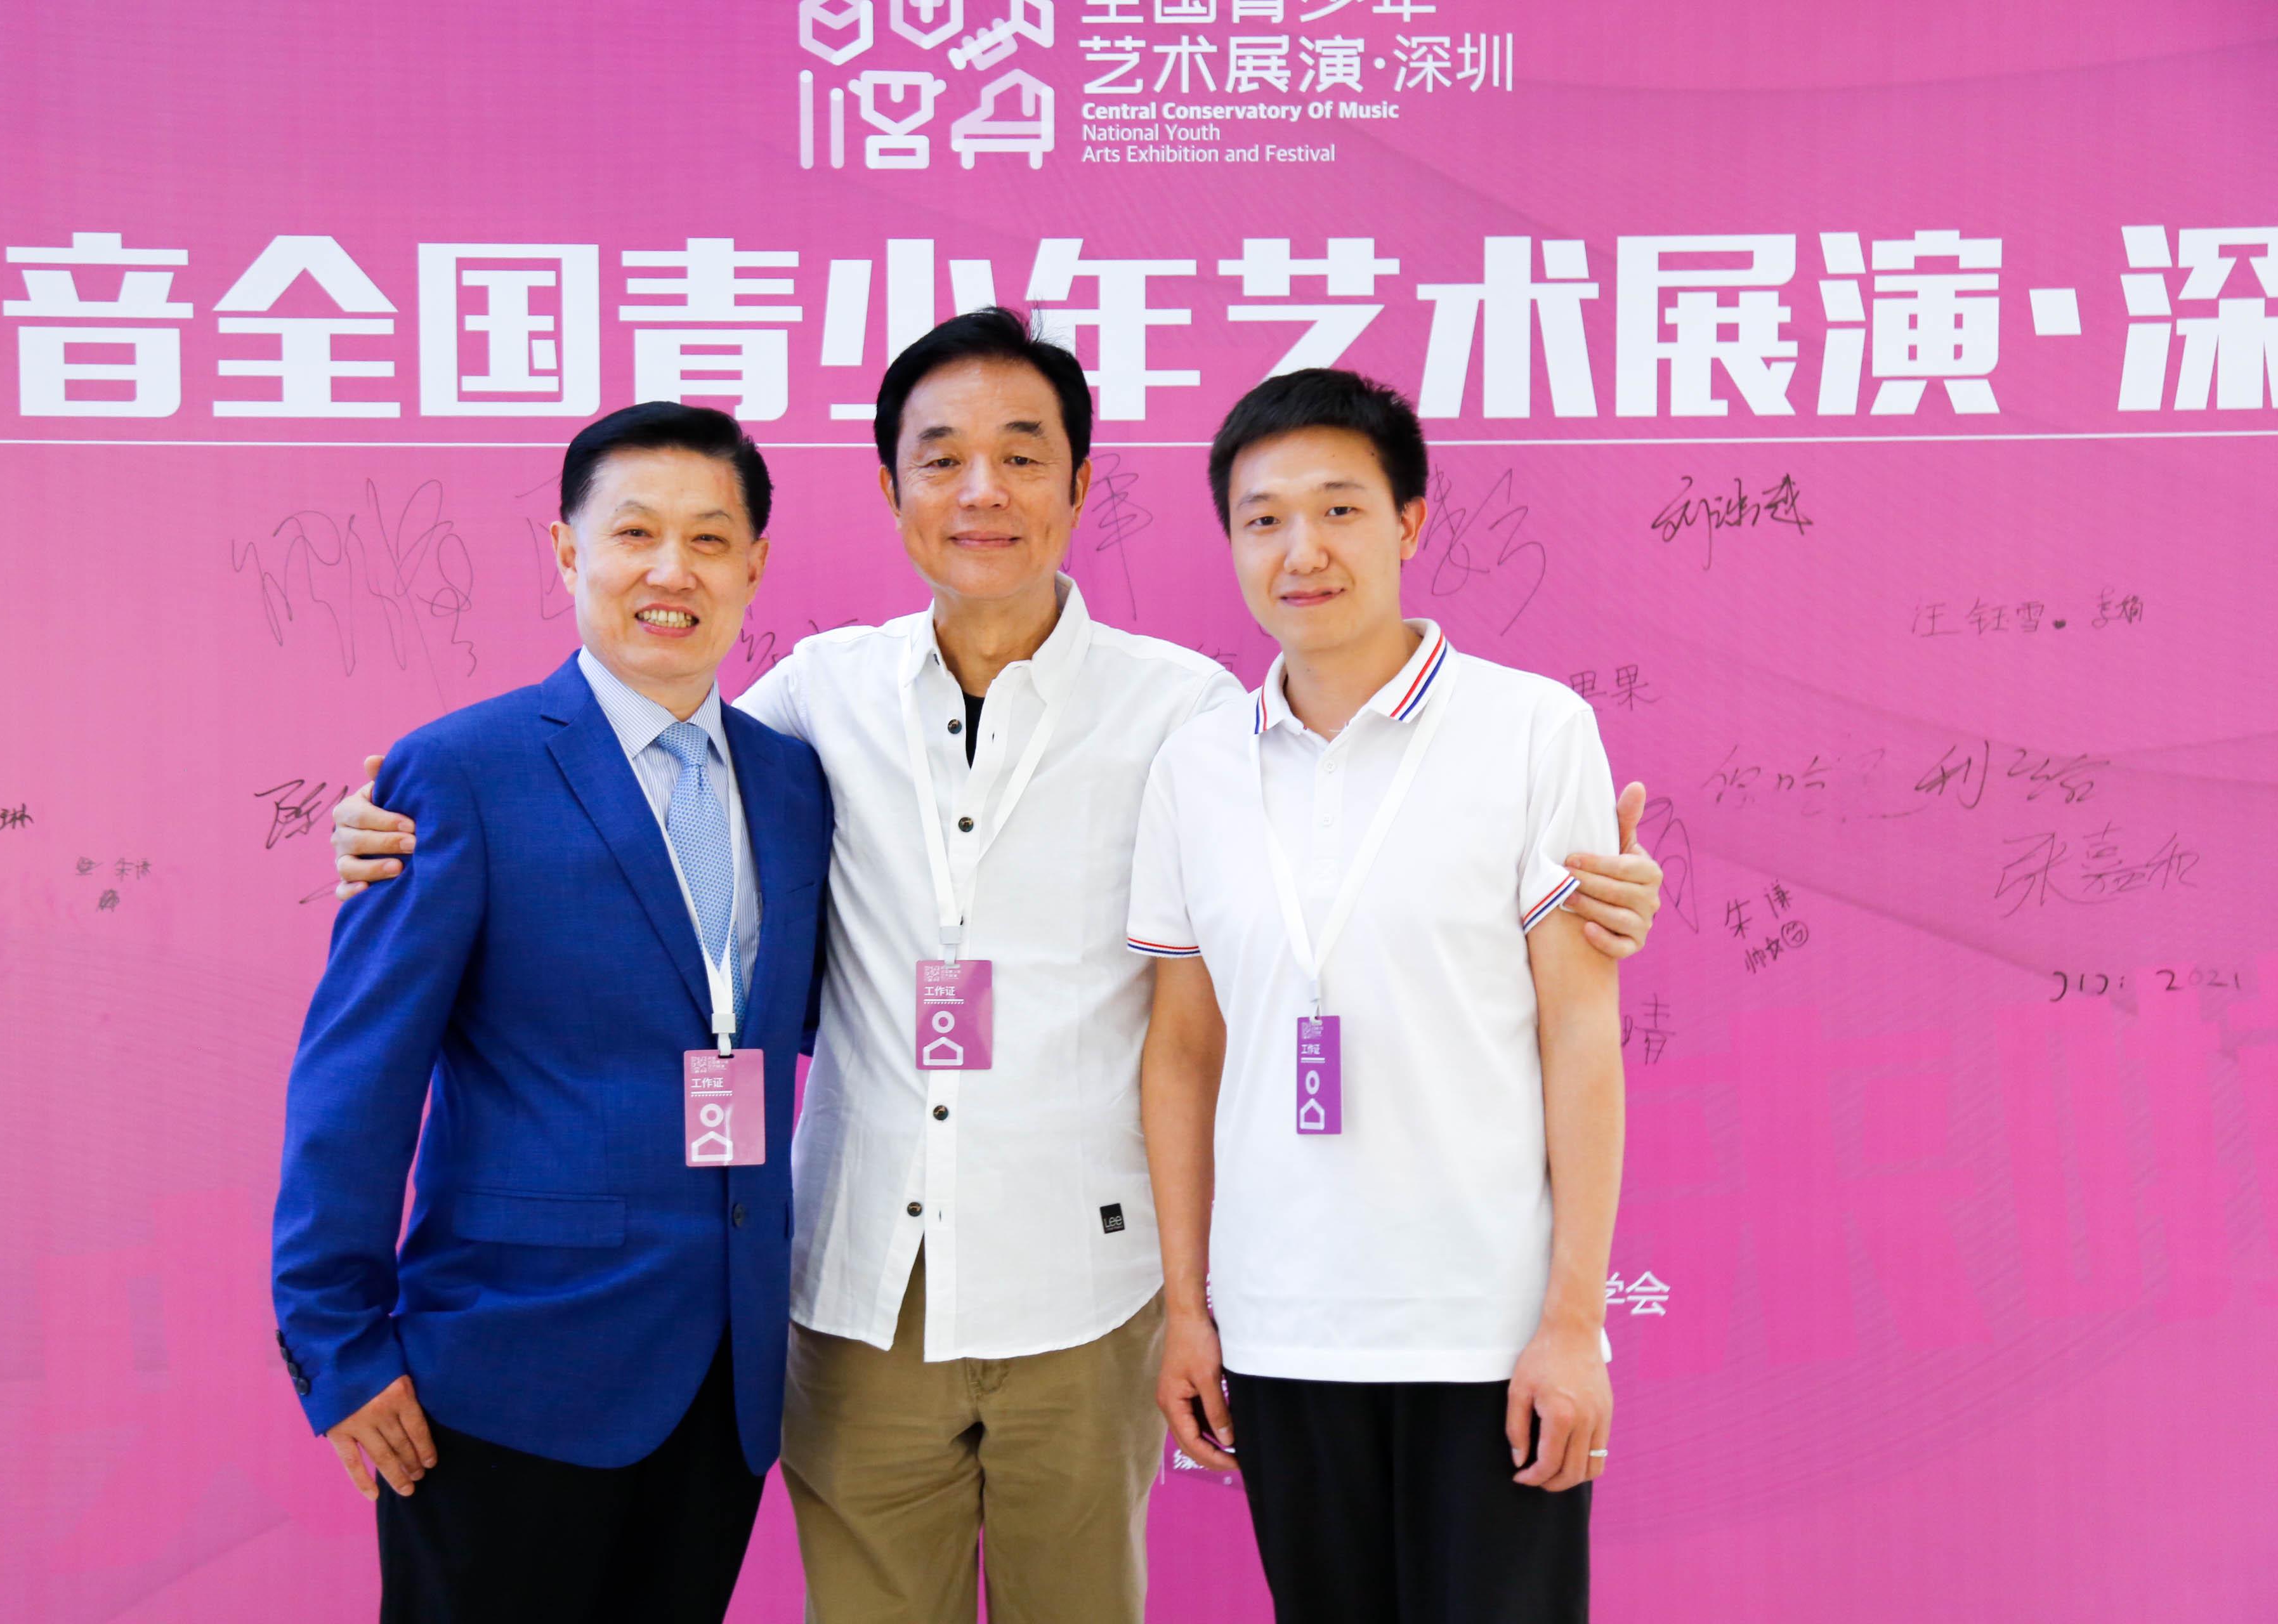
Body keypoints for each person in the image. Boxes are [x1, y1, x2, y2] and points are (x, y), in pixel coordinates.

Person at [328, 310, 1665, 1623]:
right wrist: (410, 819)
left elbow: (1310, 904)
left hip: (1084, 1295)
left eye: (1024, 456)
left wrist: (1584, 890)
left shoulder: (1189, 717)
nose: (984, 491)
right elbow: (651, 778)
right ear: (890, 489)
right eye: (944, 458)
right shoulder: (813, 700)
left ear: (1080, 487)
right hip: (860, 1291)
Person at [270, 401, 832, 1623]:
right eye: (634, 533)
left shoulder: (793, 782)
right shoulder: (459, 772)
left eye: (709, 539)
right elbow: (356, 1081)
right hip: (508, 1371)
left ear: (754, 566)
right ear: (569, 552)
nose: (672, 571)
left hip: (725, 1380)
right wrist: (339, 1342)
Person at [1132, 368, 1624, 1623]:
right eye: (1264, 519)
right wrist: (1189, 1309)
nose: (1302, 550)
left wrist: (1572, 1321)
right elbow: (1182, 1051)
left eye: (1340, 510)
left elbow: (1580, 1031)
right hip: (1280, 1330)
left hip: (1487, 1331)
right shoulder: (1194, 768)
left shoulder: (1533, 729)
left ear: (1409, 522)